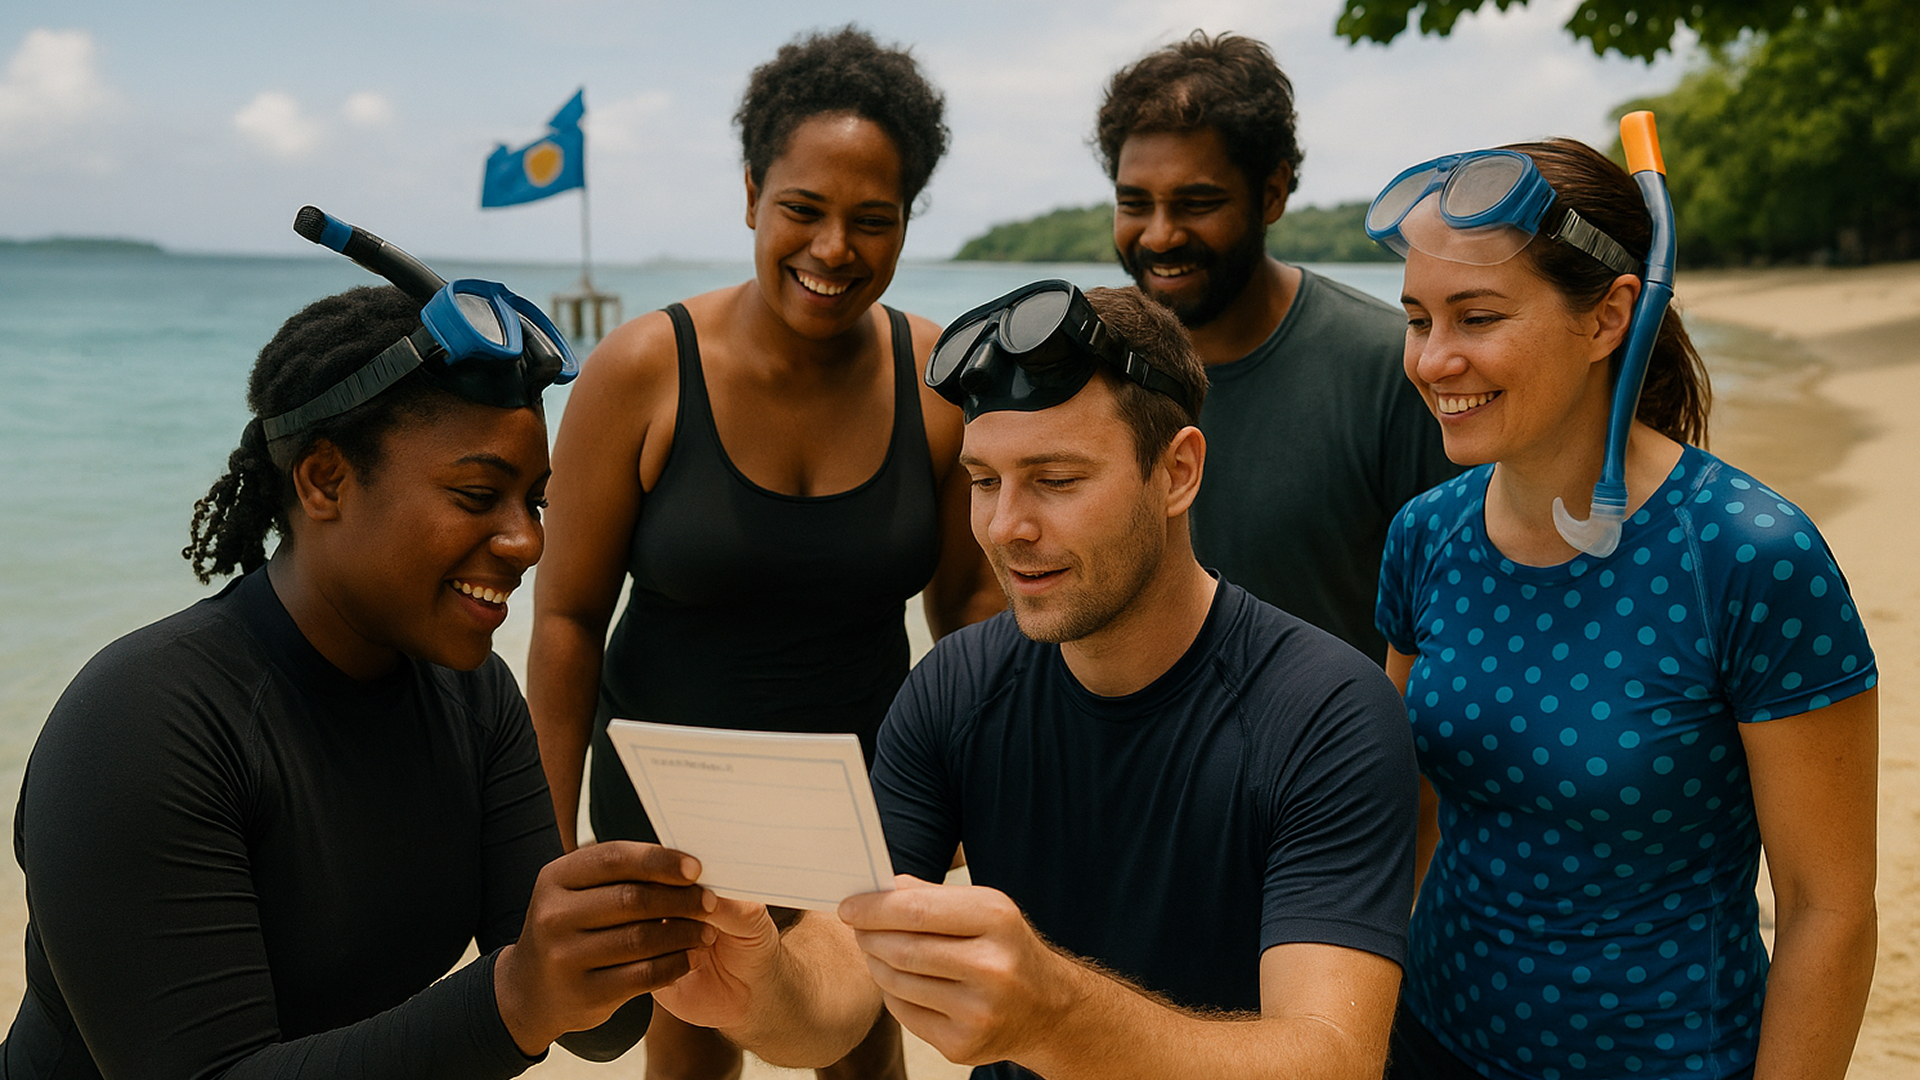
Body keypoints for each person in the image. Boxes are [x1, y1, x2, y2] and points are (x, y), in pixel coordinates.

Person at [648, 283, 1420, 1080]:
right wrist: (757, 986)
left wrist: (1057, 1013)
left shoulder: (1328, 712)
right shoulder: (954, 688)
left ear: (1177, 472)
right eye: (985, 480)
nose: (1005, 527)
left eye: (1055, 479)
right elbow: (839, 993)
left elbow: (1334, 1058)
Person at [3, 252, 718, 1077]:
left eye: (535, 501)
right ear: (324, 481)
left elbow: (585, 1025)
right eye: (477, 496)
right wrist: (515, 999)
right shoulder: (143, 725)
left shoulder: (475, 698)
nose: (528, 541)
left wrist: (654, 934)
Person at [526, 25, 1000, 1080]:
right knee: (692, 1041)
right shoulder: (641, 370)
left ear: (907, 222)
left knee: (862, 1048)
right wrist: (545, 854)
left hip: (866, 794)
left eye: (872, 221)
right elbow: (563, 622)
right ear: (751, 195)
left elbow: (970, 614)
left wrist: (992, 791)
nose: (834, 249)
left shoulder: (938, 381)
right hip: (672, 799)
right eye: (803, 209)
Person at [1370, 137, 1879, 1079]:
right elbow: (1413, 808)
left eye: (1477, 316)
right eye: (1416, 319)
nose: (1434, 360)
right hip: (1429, 1042)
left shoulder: (1749, 555)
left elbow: (1828, 910)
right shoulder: (1424, 535)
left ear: (1609, 317)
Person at [1094, 30, 1458, 662]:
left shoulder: (1392, 369)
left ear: (1272, 193)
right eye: (1135, 203)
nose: (1159, 235)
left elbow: (1457, 612)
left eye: (1197, 202)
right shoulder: (1089, 367)